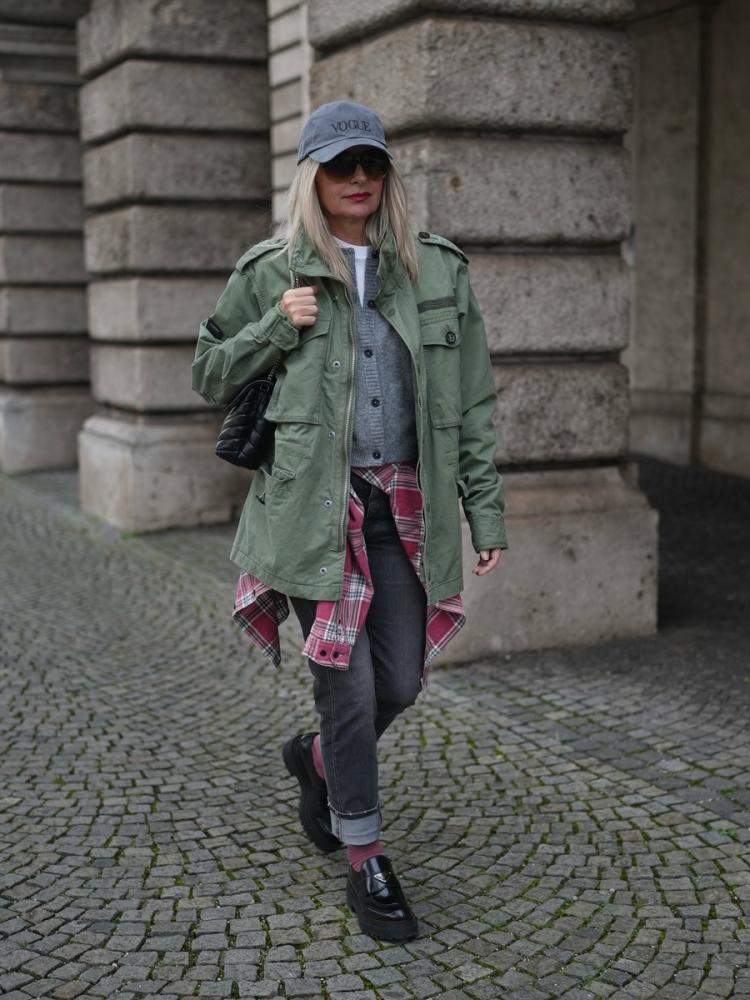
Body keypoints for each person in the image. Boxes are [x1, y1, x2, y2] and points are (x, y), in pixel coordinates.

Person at [192, 100, 506, 941]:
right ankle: (366, 856)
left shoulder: (436, 270)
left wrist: (485, 511)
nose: (358, 177)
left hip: (403, 505)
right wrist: (274, 326)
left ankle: (320, 757)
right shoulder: (273, 269)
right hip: (311, 510)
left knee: (399, 681)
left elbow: (473, 404)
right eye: (339, 165)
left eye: (370, 162)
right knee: (350, 686)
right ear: (313, 176)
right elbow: (209, 372)